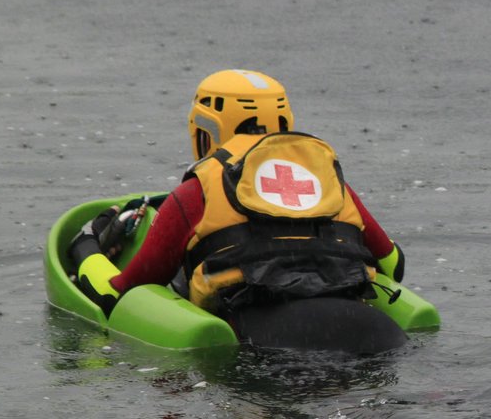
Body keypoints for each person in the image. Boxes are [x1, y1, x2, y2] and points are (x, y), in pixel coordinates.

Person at [69, 69, 406, 353]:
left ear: (206, 129)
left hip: (273, 342)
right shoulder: (330, 183)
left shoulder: (195, 194)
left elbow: (122, 291)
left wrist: (84, 248)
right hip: (375, 334)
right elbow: (393, 265)